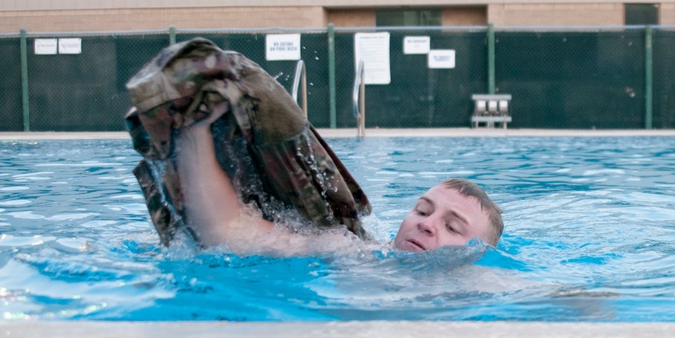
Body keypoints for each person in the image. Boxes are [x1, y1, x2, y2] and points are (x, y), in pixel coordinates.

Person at [176, 102, 503, 257]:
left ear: (478, 253)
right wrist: (195, 135)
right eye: (421, 210)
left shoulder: (480, 287)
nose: (427, 224)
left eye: (452, 227)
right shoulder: (351, 252)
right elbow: (227, 233)